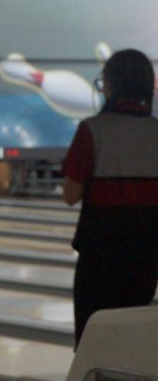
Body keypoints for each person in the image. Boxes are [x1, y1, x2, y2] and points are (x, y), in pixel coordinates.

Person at [61, 48, 158, 347]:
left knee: (94, 343)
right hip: (146, 255)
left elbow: (70, 194)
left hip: (100, 255)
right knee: (131, 343)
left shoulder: (92, 130)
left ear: (110, 84)